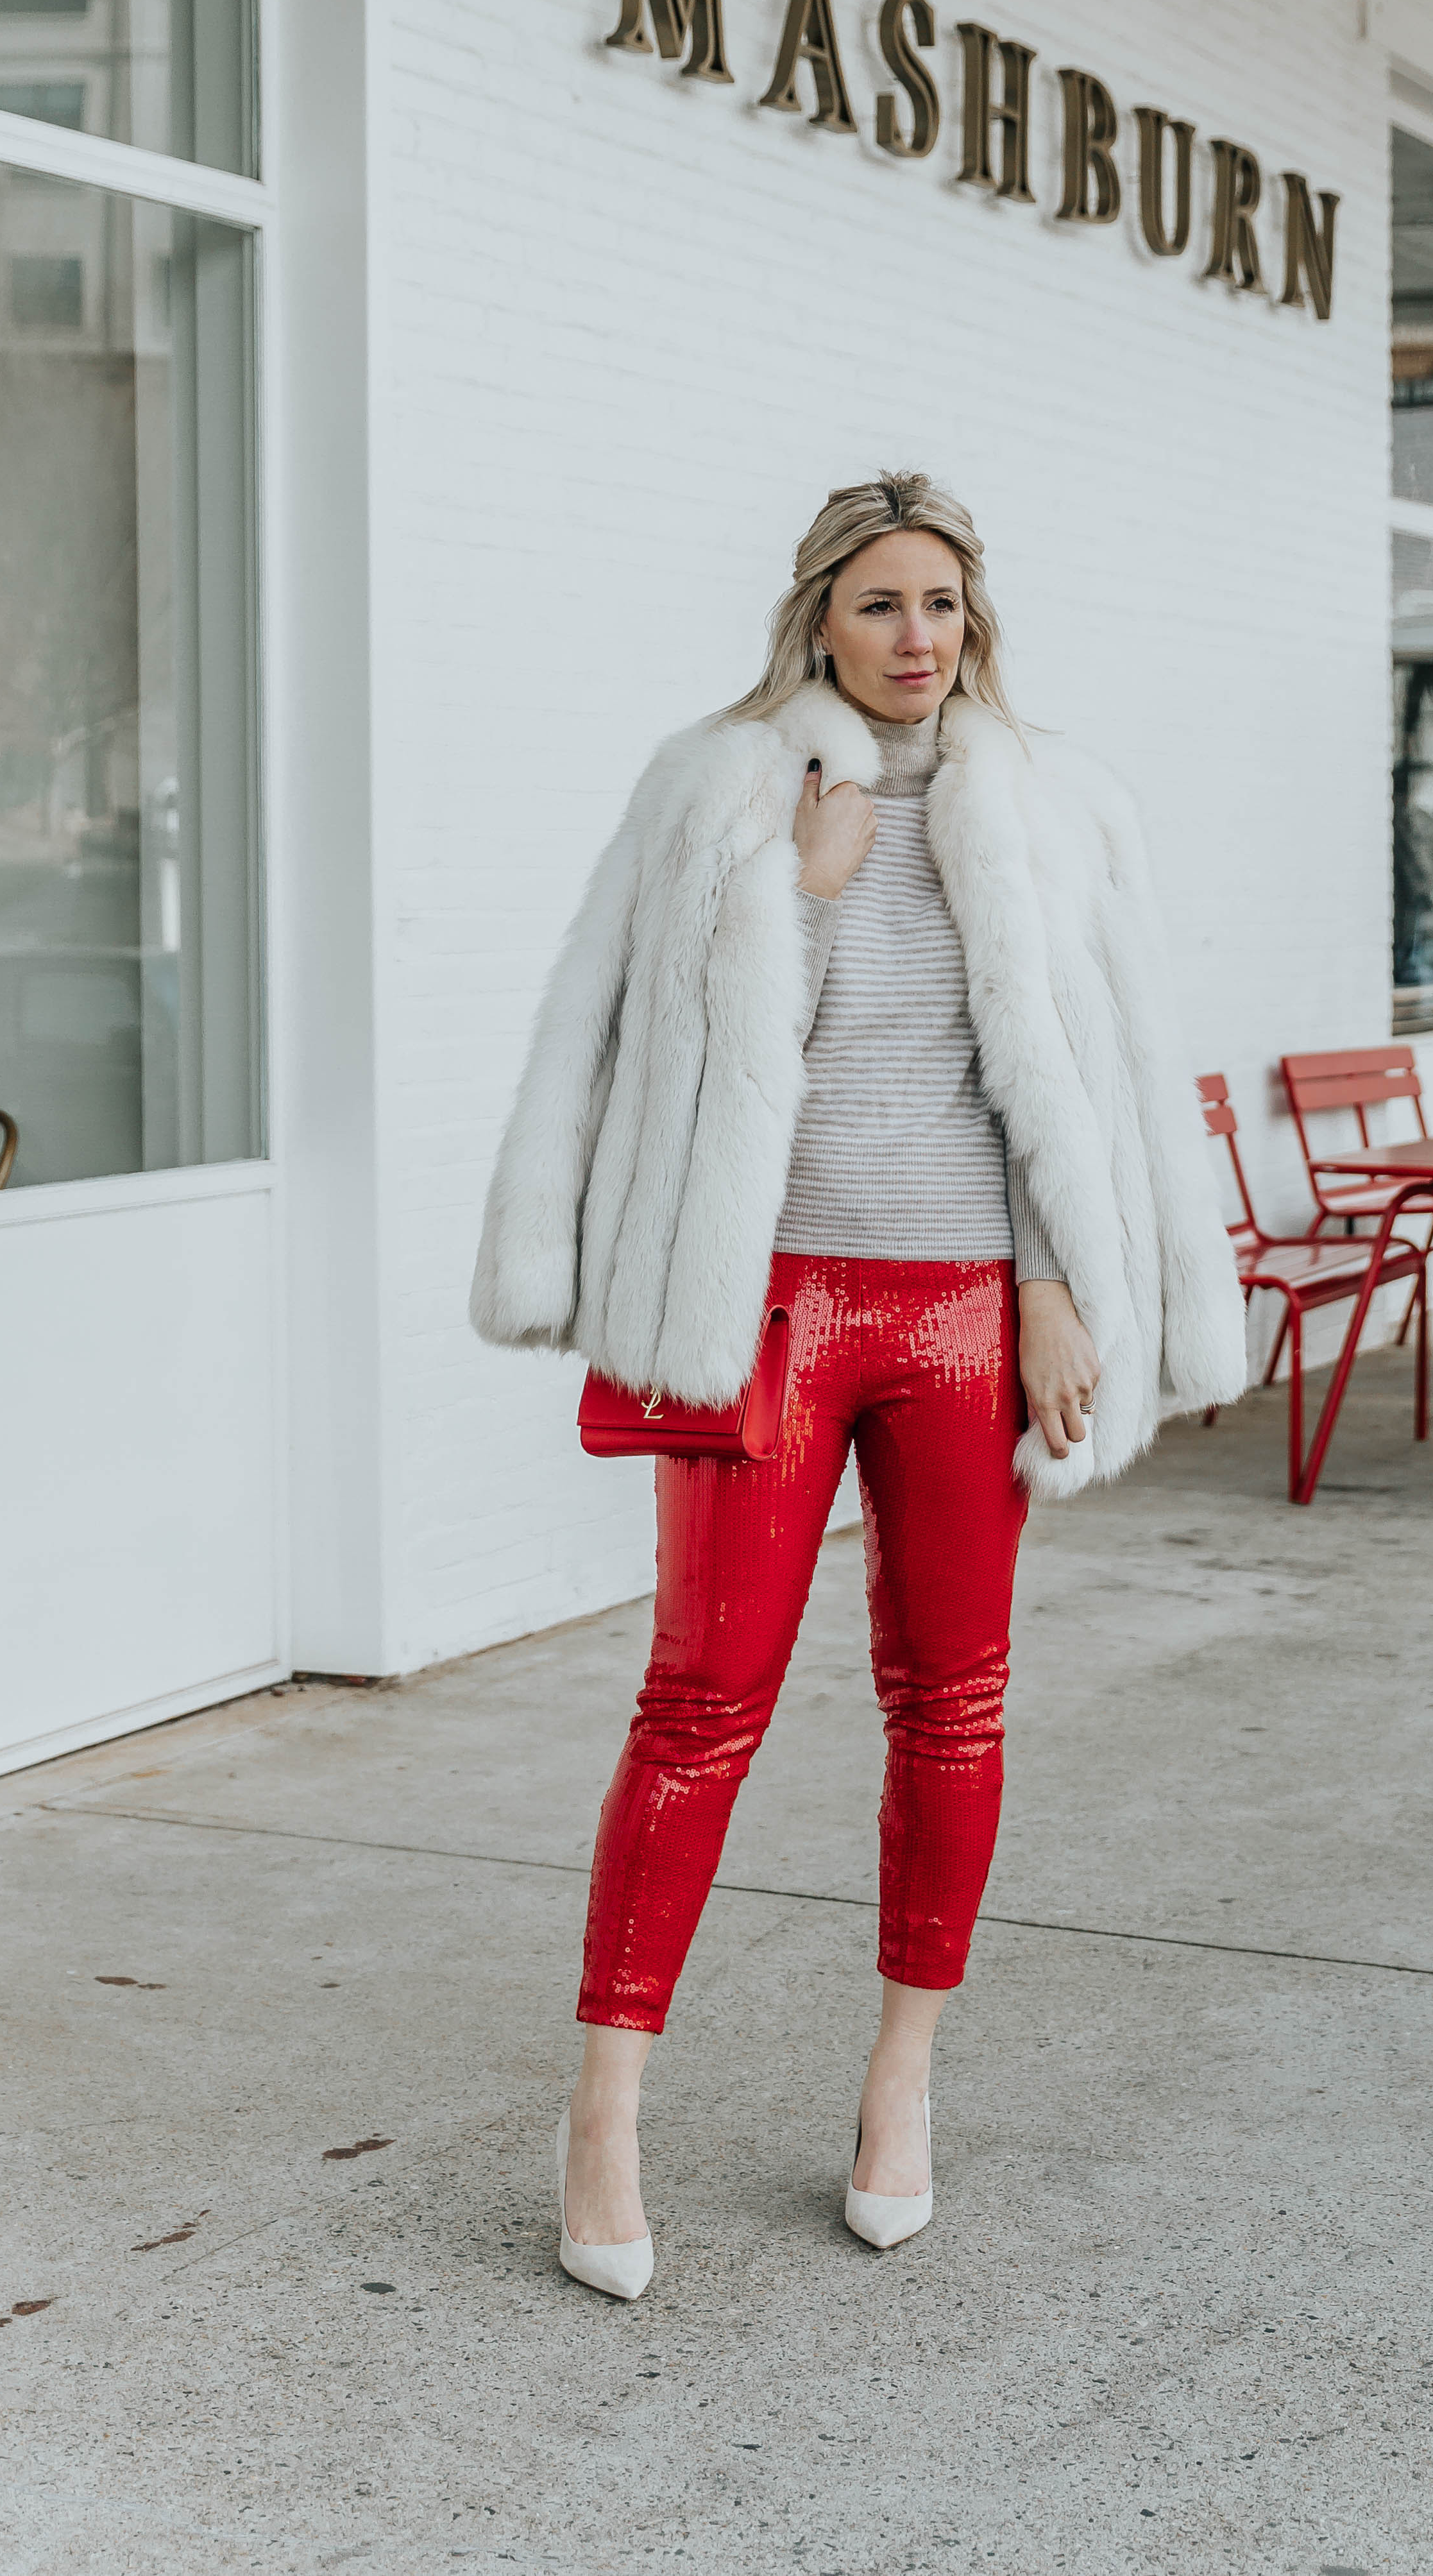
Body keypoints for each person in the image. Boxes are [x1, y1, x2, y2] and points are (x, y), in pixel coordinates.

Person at [470, 472, 1245, 2298]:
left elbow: (1068, 1074)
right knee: (698, 1697)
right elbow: (647, 1054)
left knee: (953, 1698)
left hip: (971, 1311)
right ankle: (605, 2110)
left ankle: (901, 2081)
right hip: (772, 1310)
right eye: (884, 605)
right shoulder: (715, 786)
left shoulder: (1056, 805)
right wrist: (801, 899)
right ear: (817, 613)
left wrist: (1057, 1282)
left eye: (945, 609)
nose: (917, 640)